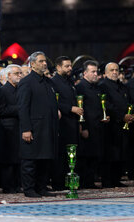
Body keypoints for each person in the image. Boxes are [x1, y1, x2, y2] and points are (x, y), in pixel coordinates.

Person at [18, 51, 59, 198]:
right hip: (34, 128)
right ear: (33, 64)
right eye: (41, 61)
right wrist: (26, 129)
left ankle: (41, 187)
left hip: (47, 127)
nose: (44, 64)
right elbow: (23, 107)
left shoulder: (48, 82)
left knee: (44, 159)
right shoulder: (26, 82)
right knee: (30, 161)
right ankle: (29, 189)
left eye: (45, 61)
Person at [76, 60, 109, 188]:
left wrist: (105, 116)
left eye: (97, 71)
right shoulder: (80, 87)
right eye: (93, 71)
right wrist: (82, 127)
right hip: (87, 126)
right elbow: (81, 108)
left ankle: (90, 181)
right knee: (86, 156)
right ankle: (85, 182)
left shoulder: (97, 87)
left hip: (98, 126)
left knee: (94, 155)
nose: (96, 74)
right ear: (85, 73)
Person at [98, 62, 133, 187]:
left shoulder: (123, 87)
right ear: (106, 73)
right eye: (111, 70)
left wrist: (130, 114)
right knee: (110, 154)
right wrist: (121, 116)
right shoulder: (102, 86)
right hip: (110, 125)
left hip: (123, 125)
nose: (114, 72)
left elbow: (128, 102)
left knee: (121, 153)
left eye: (116, 70)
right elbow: (107, 105)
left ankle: (116, 178)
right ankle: (107, 181)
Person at [51, 56, 82, 191]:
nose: (70, 68)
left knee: (72, 154)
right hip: (62, 123)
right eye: (67, 66)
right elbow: (54, 102)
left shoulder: (70, 82)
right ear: (58, 67)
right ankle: (58, 183)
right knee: (61, 155)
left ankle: (69, 181)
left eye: (70, 66)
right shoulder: (53, 82)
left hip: (73, 123)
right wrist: (70, 108)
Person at [0, 64, 23, 193]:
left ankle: (17, 184)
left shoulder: (21, 89)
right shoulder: (2, 90)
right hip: (7, 128)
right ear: (8, 76)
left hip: (19, 127)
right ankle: (8, 186)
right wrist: (20, 109)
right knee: (8, 159)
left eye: (20, 73)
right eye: (17, 73)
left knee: (19, 158)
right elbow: (1, 110)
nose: (20, 75)